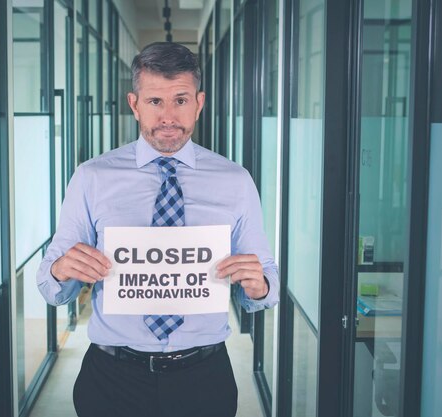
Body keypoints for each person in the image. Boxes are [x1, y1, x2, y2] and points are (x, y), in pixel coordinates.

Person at [37, 42, 279, 417]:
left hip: (204, 379)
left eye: (180, 100)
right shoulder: (91, 178)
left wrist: (259, 284)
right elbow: (52, 288)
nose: (168, 116)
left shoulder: (236, 181)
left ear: (199, 103)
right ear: (134, 104)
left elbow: (265, 286)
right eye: (155, 102)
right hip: (111, 380)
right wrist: (60, 270)